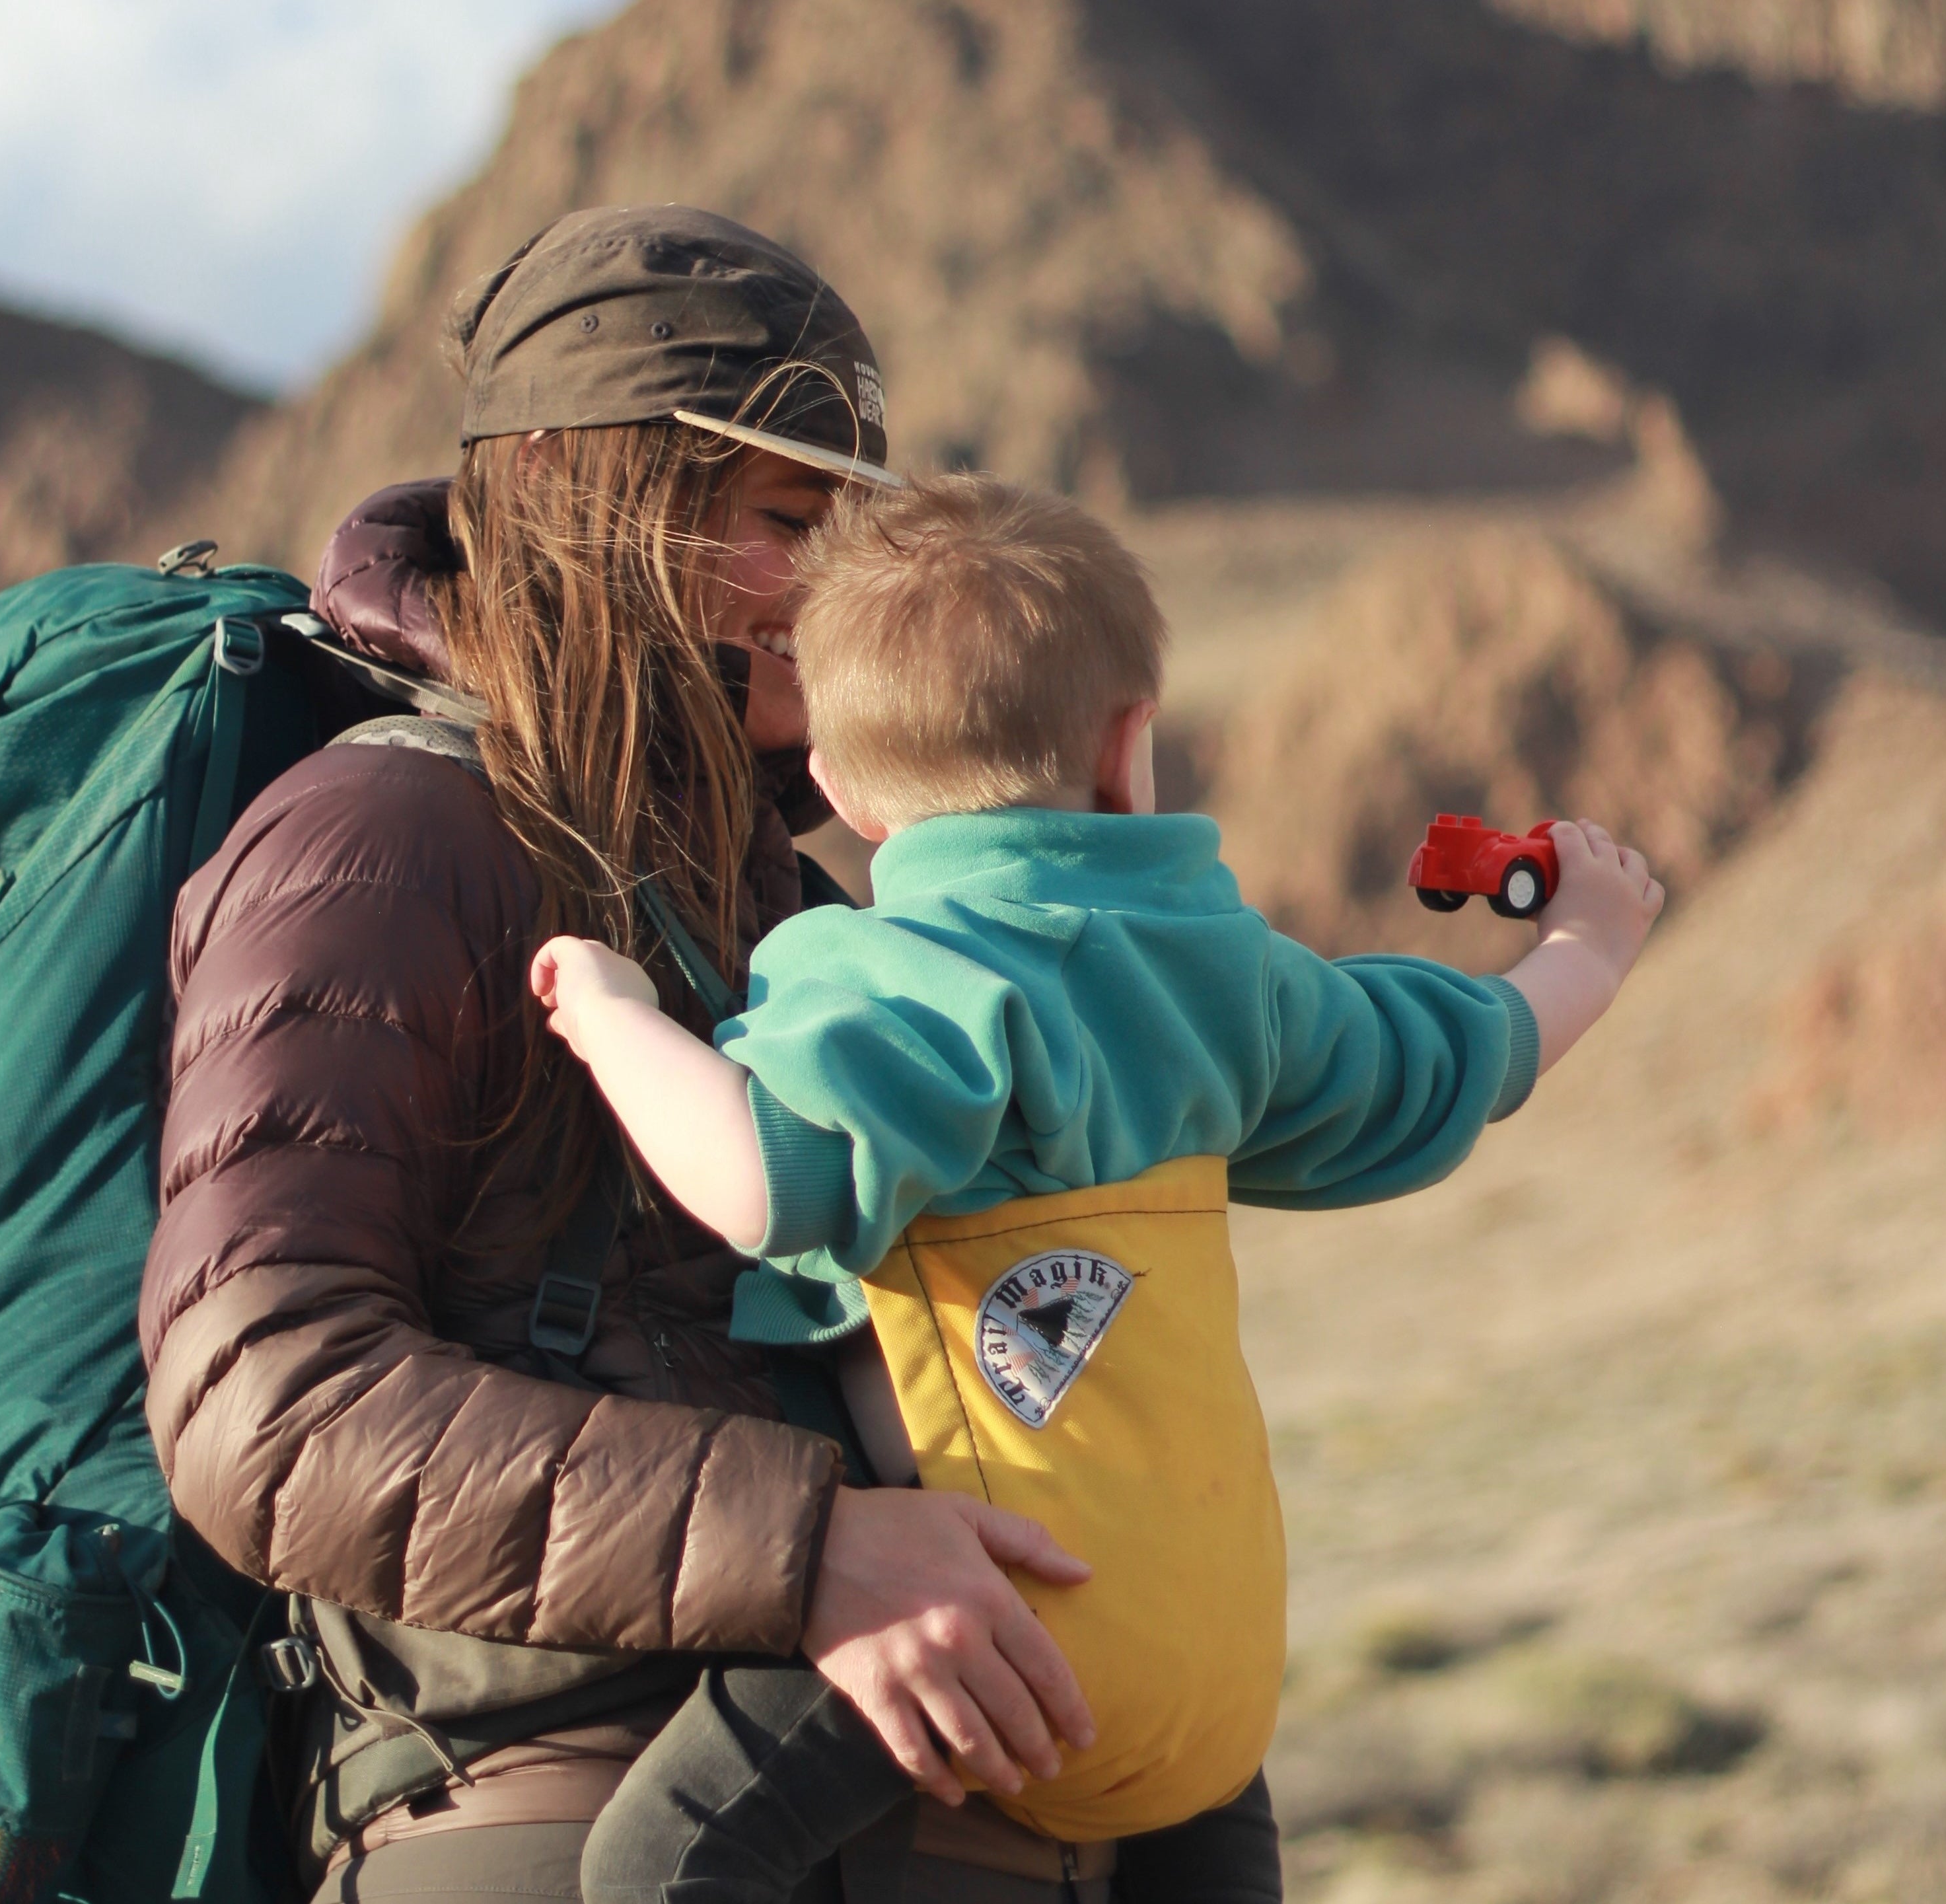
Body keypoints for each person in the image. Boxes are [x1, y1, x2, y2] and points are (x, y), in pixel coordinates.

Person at [139, 205, 1283, 1903]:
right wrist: (801, 1547)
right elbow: (268, 1401)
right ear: (587, 507)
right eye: (779, 518)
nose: (833, 587)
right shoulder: (386, 835)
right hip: (570, 1810)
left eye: (849, 524)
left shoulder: (819, 905)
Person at [532, 474, 1669, 1903]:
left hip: (999, 1628)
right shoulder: (1224, 978)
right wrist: (1589, 945)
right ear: (1132, 745)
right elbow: (1452, 1059)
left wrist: (612, 1014)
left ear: (838, 789)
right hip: (1214, 1661)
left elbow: (769, 1180)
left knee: (651, 1868)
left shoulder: (899, 978)